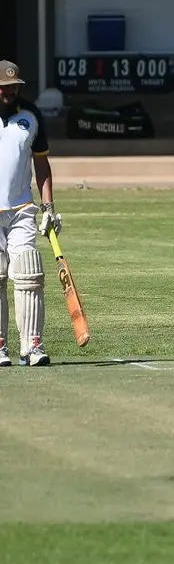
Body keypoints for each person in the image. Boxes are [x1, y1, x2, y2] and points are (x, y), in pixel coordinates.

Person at [0, 60, 59, 367]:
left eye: (14, 87)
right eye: (4, 87)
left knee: (29, 273)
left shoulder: (31, 115)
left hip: (22, 208)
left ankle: (31, 345)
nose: (10, 91)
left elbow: (42, 163)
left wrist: (49, 207)